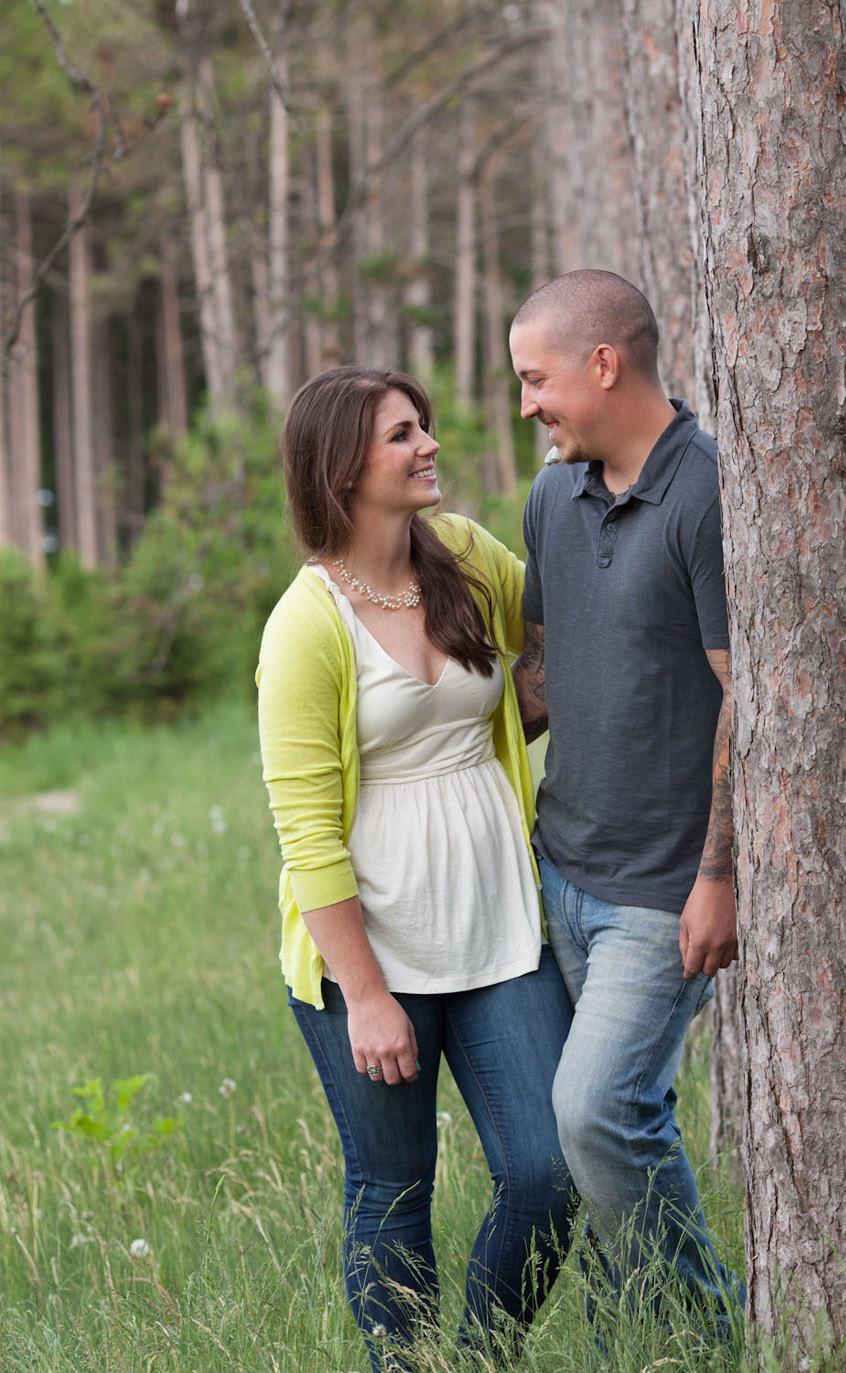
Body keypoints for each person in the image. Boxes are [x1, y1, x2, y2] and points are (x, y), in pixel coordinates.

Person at [256, 366, 575, 1371]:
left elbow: (570, 630)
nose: (429, 444)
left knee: (550, 1172)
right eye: (404, 434)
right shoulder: (306, 624)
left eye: (423, 427)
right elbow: (306, 834)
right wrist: (367, 996)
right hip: (372, 954)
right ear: (344, 464)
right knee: (391, 1190)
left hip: (498, 925)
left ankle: (476, 1358)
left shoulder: (471, 555)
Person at [508, 269, 744, 1331]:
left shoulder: (707, 490)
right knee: (591, 1130)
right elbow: (550, 673)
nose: (527, 405)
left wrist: (718, 876)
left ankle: (710, 1330)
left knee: (597, 1109)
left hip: (662, 889)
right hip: (560, 871)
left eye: (534, 379)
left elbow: (749, 697)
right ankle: (628, 1336)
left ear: (602, 364)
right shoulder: (553, 496)